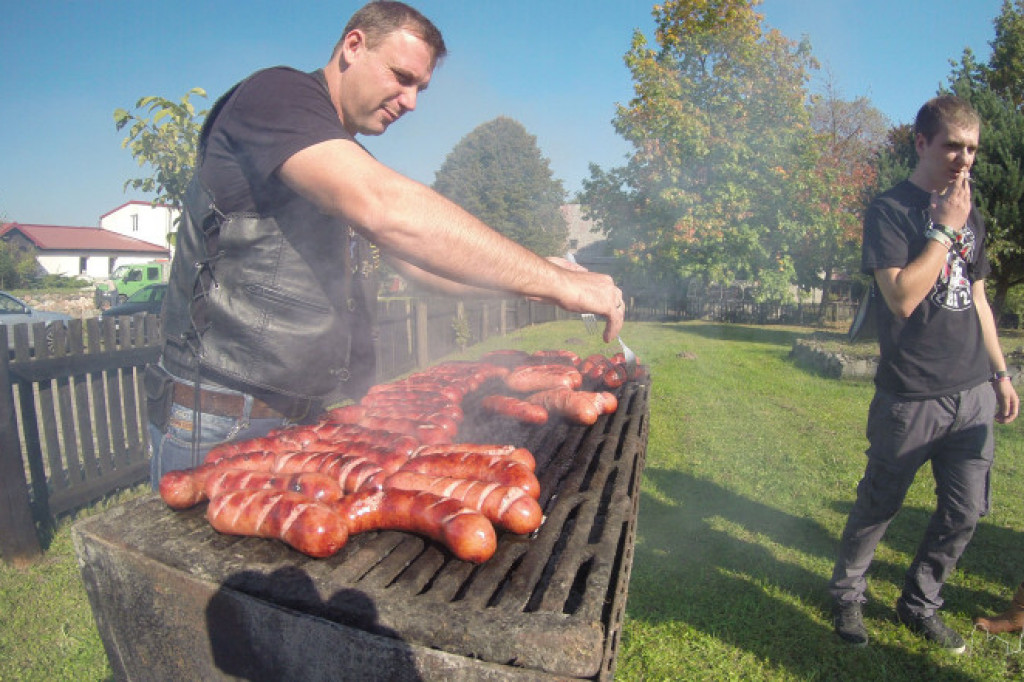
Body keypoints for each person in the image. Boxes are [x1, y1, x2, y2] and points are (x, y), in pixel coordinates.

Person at [145, 1, 625, 487]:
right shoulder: (276, 94)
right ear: (354, 45)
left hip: (307, 418)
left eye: (420, 87)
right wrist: (559, 283)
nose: (410, 101)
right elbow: (387, 207)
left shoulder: (337, 155)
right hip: (222, 417)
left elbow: (424, 268)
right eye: (401, 76)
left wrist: (538, 278)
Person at [828, 94, 1019, 653]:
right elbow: (902, 299)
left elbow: (980, 302)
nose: (964, 160)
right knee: (878, 506)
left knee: (964, 513)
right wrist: (941, 231)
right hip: (911, 396)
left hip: (972, 394)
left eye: (972, 150)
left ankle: (920, 603)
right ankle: (846, 596)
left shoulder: (972, 213)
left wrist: (1001, 373)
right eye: (952, 146)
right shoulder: (890, 210)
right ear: (921, 143)